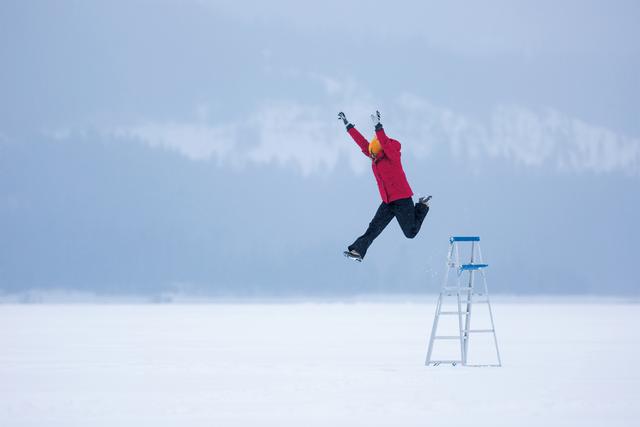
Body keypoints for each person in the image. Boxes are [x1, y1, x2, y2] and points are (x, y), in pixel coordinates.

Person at [338, 110, 431, 262]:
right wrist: (349, 126)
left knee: (411, 233)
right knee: (373, 228)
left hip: (402, 199)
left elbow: (386, 144)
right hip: (388, 201)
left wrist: (378, 127)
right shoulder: (375, 157)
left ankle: (422, 205)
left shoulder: (392, 156)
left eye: (373, 152)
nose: (371, 155)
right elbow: (362, 144)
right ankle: (358, 252)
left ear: (379, 149)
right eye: (371, 153)